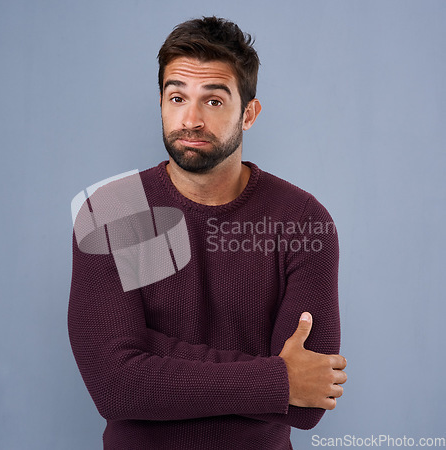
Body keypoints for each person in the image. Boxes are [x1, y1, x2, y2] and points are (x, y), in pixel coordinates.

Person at [68, 16, 347, 450]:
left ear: (248, 114)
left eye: (213, 101)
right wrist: (275, 377)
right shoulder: (115, 212)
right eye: (177, 97)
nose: (191, 119)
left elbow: (307, 404)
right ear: (161, 103)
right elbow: (116, 385)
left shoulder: (302, 222)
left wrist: (150, 357)